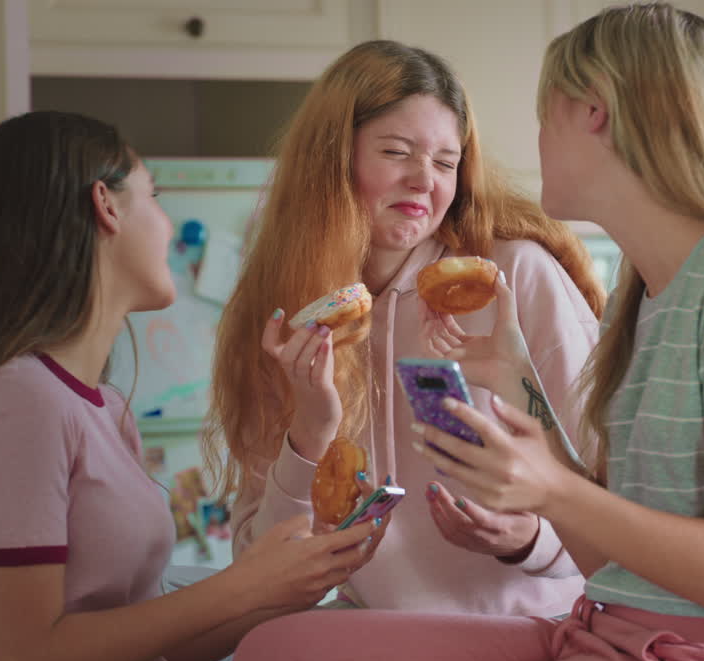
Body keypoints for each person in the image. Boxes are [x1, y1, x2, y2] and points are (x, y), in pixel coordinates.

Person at [223, 5, 704, 661]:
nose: (533, 139)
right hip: (614, 636)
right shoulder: (649, 295)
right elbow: (608, 554)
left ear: (595, 114)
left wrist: (547, 491)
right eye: (398, 152)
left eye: (546, 115)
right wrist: (517, 382)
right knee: (280, 656)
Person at [0, 110, 384, 661]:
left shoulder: (102, 405)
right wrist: (243, 585)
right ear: (106, 206)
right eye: (155, 196)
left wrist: (285, 589)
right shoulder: (21, 400)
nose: (167, 227)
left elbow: (141, 658)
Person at [205, 39, 607, 619]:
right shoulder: (288, 314)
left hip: (534, 631)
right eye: (397, 152)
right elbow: (256, 565)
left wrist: (529, 540)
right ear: (333, 160)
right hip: (378, 636)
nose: (425, 181)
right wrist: (309, 433)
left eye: (445, 162)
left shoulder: (512, 279)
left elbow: (622, 507)